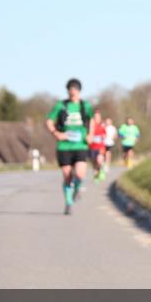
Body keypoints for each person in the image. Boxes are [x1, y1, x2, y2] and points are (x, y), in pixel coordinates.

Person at [45, 79, 96, 215]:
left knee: (79, 174)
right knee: (67, 175)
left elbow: (92, 120)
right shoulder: (61, 105)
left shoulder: (85, 106)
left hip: (80, 144)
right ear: (67, 90)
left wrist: (91, 134)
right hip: (64, 146)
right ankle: (68, 202)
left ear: (79, 90)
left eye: (75, 89)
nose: (72, 91)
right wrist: (56, 133)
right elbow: (49, 121)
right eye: (70, 89)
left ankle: (77, 188)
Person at [88, 110, 108, 181]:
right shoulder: (90, 125)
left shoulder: (102, 125)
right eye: (95, 117)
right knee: (94, 163)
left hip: (100, 146)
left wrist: (103, 136)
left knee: (99, 160)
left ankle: (101, 171)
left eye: (98, 117)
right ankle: (96, 175)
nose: (97, 118)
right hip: (92, 147)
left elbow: (105, 134)